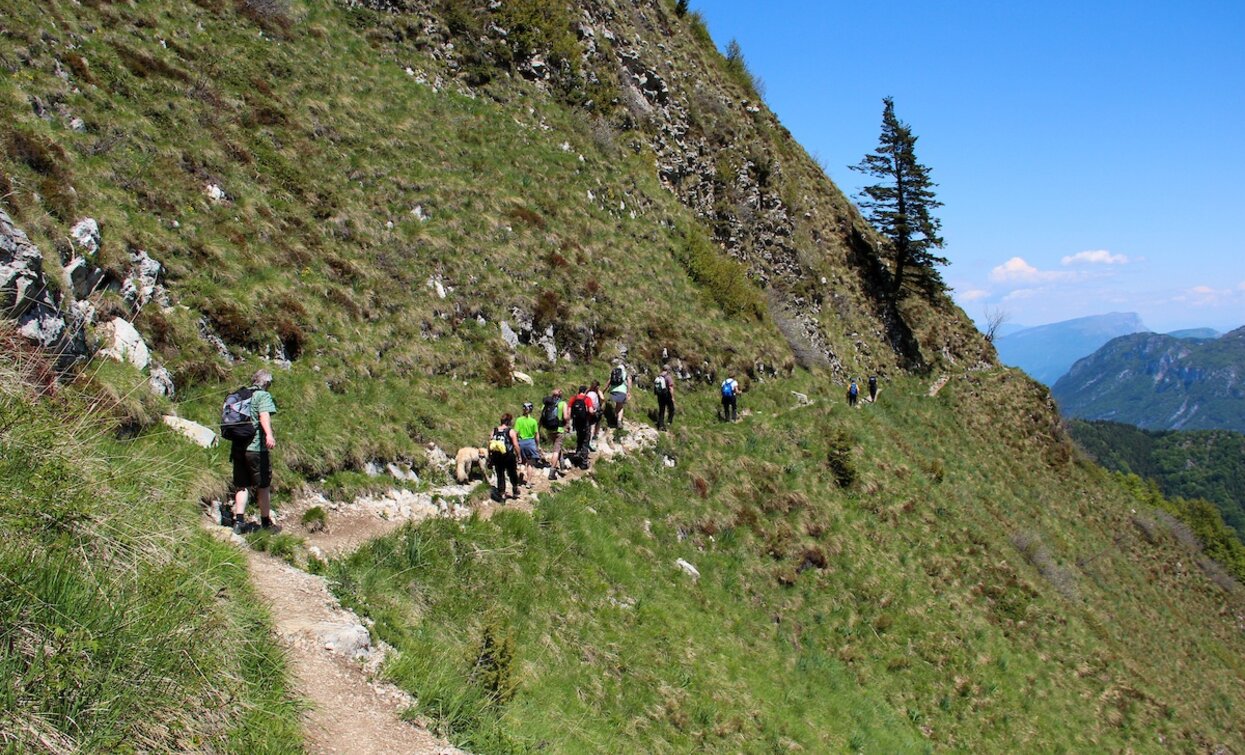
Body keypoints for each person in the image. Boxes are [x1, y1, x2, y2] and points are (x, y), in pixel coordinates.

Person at [231, 369, 278, 534]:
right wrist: (269, 435)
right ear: (266, 383)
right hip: (256, 448)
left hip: (238, 447)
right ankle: (266, 522)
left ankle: (239, 522)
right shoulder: (262, 396)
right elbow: (263, 416)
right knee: (263, 485)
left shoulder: (240, 394)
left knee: (242, 485)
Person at [487, 413, 522, 501]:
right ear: (508, 421)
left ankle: (502, 493)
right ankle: (515, 487)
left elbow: (490, 444)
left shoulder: (494, 431)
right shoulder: (510, 431)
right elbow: (515, 445)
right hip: (508, 455)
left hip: (496, 455)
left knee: (500, 474)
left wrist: (490, 457)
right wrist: (519, 456)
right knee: (512, 472)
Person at [543, 388, 569, 480]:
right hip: (559, 429)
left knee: (557, 446)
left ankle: (562, 464)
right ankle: (552, 471)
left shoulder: (546, 405)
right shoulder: (563, 404)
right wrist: (567, 422)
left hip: (549, 430)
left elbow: (542, 417)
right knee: (556, 451)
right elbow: (565, 417)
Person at [514, 402, 543, 478]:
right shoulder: (533, 421)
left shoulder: (519, 420)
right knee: (530, 463)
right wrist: (537, 445)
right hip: (530, 442)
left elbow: (515, 432)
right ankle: (529, 482)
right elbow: (536, 434)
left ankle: (521, 473)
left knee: (523, 461)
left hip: (521, 442)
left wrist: (516, 442)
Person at [569, 385, 593, 468]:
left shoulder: (573, 398)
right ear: (586, 391)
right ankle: (584, 462)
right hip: (585, 422)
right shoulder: (587, 399)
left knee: (579, 438)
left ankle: (577, 455)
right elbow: (590, 411)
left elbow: (569, 411)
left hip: (576, 423)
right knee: (585, 441)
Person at [607, 359, 630, 428]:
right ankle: (619, 420)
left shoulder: (613, 372)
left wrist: (604, 390)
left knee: (617, 404)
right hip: (622, 391)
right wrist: (628, 392)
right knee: (621, 406)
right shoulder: (625, 373)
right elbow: (629, 382)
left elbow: (609, 382)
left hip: (613, 391)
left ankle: (615, 419)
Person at [654, 364, 676, 430]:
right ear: (667, 370)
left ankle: (660, 425)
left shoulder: (659, 376)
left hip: (660, 395)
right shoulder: (668, 377)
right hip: (667, 395)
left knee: (661, 410)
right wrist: (672, 397)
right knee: (672, 408)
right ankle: (669, 421)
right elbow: (670, 387)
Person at [586, 380, 603, 449]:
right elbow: (602, 398)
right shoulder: (597, 392)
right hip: (594, 411)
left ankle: (587, 439)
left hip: (586, 410)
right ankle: (595, 435)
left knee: (588, 425)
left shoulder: (588, 391)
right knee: (598, 420)